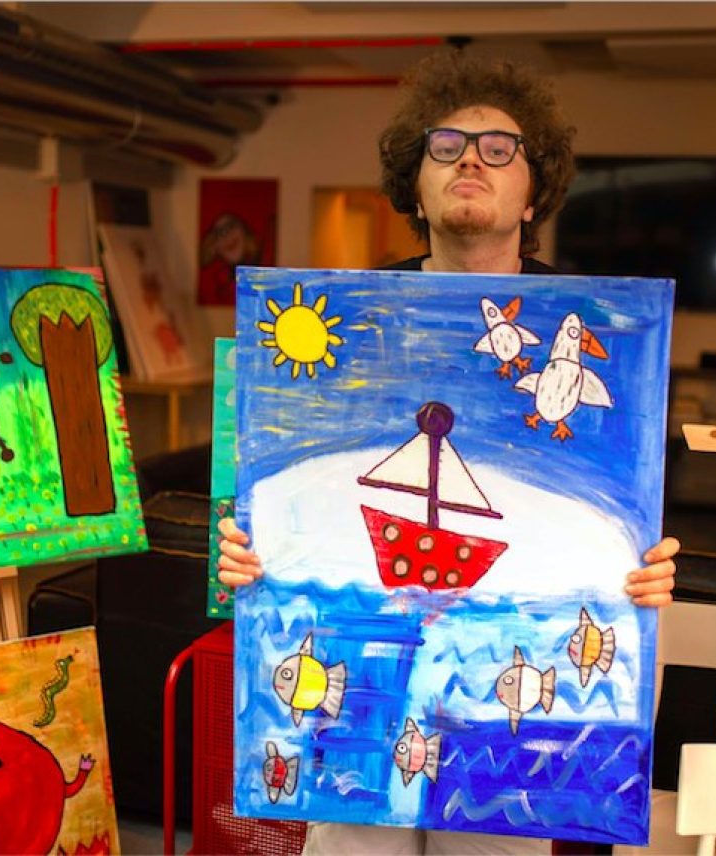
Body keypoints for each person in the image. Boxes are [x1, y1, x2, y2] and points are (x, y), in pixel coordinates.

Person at [218, 49, 680, 856]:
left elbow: (631, 511)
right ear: (415, 184)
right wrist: (247, 549)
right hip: (361, 679)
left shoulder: (598, 328)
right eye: (446, 147)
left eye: (499, 148)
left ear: (533, 192)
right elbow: (281, 489)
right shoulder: (348, 322)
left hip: (501, 686)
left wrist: (644, 566)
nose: (471, 160)